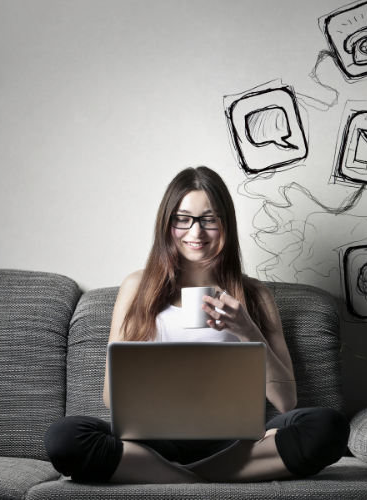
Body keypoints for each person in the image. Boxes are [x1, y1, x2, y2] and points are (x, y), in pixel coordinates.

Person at [44, 166, 349, 484]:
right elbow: (111, 397)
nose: (196, 233)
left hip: (234, 442)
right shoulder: (137, 287)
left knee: (328, 427)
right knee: (64, 436)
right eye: (183, 218)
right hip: (151, 442)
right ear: (168, 224)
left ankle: (175, 478)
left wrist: (247, 330)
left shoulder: (255, 294)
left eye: (209, 219)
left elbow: (286, 402)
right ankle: (202, 479)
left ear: (225, 224)